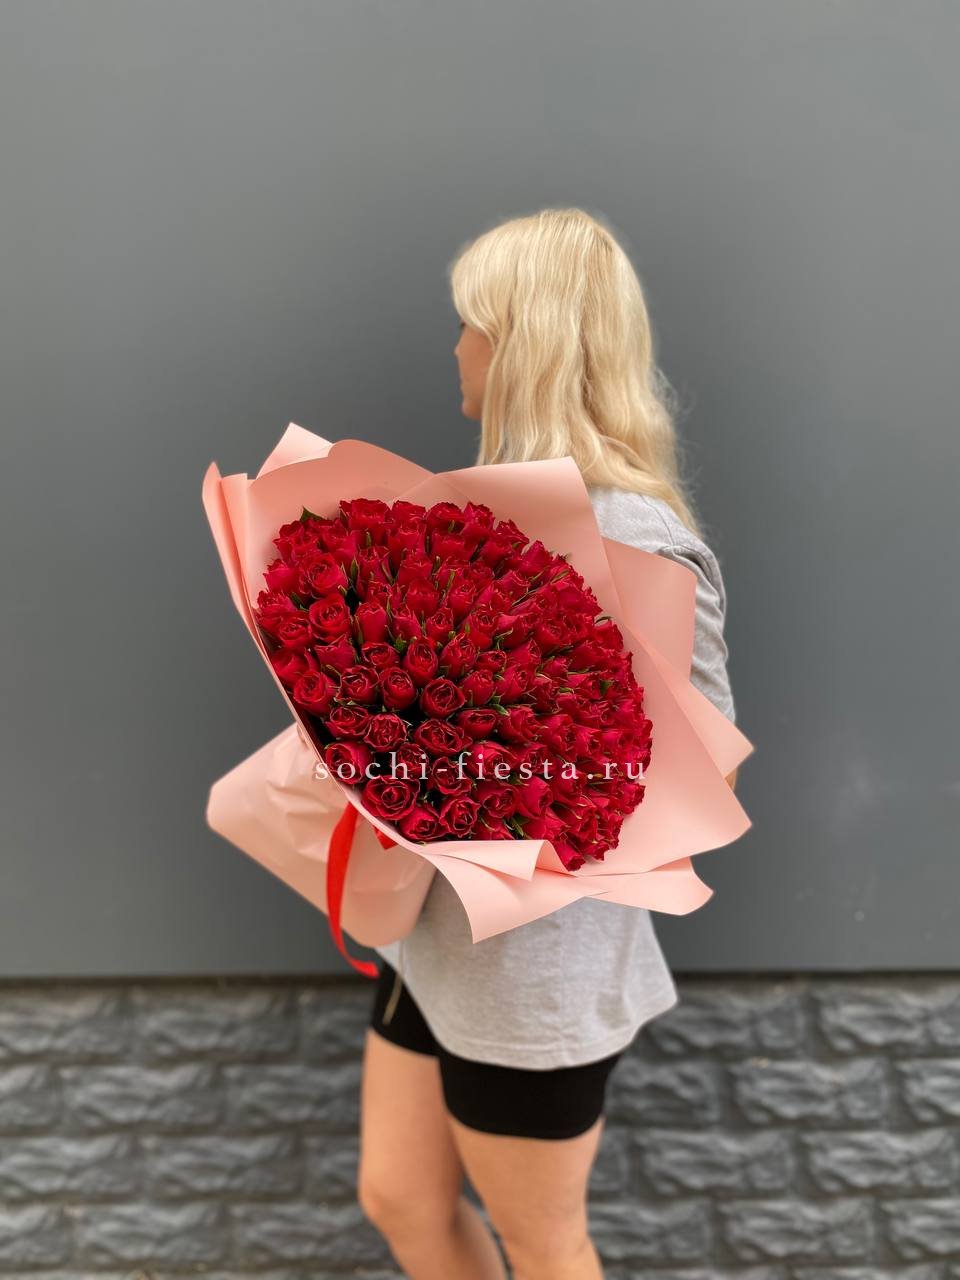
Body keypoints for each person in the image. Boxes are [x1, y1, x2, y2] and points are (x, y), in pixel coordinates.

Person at [357, 207, 741, 1280]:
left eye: (470, 325)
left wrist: (492, 763)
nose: (455, 348)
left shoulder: (635, 539)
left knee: (544, 1242)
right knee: (398, 1195)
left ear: (520, 345)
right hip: (434, 936)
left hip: (535, 973)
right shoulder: (472, 512)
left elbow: (700, 771)